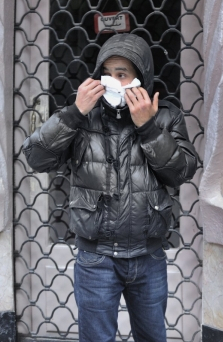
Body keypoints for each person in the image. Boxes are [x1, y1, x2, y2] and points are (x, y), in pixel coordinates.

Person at [22, 33, 199, 342]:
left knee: (152, 337)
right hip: (97, 258)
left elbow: (181, 172)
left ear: (140, 78)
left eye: (122, 74)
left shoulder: (166, 116)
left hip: (149, 256)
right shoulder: (82, 116)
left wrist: (148, 127)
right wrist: (74, 113)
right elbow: (36, 158)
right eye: (107, 74)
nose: (114, 82)